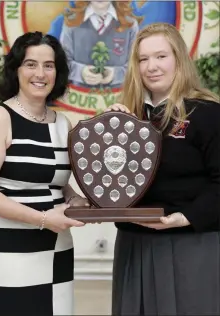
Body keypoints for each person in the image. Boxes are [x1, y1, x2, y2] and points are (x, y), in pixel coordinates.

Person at [106, 23, 220, 315]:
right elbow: (112, 183)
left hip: (190, 246)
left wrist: (184, 218)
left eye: (160, 56)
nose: (151, 67)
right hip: (134, 246)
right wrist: (108, 135)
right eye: (143, 59)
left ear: (178, 59)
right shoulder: (126, 118)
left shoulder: (207, 113)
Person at [0, 31, 89, 316]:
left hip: (57, 247)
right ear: (16, 69)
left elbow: (57, 182)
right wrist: (43, 219)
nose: (40, 73)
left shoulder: (63, 123)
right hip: (9, 252)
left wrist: (75, 199)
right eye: (30, 64)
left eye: (49, 65)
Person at [59, 1, 139, 88]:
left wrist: (115, 74)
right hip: (79, 96)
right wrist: (81, 72)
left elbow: (136, 65)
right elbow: (61, 63)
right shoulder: (71, 23)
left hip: (118, 96)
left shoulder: (130, 25)